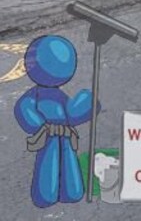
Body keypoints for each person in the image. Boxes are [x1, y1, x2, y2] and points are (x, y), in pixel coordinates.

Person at [14, 36, 94, 207]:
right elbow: (25, 107)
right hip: (49, 134)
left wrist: (87, 102)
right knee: (49, 162)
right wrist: (38, 124)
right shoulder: (35, 94)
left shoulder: (59, 96)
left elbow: (71, 112)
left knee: (68, 162)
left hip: (63, 134)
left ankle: (71, 191)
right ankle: (46, 195)